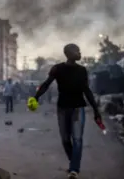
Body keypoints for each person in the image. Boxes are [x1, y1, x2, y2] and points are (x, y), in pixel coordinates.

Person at [27, 44, 101, 179]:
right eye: (77, 50)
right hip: (62, 108)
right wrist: (36, 97)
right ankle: (74, 161)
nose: (80, 52)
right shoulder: (57, 69)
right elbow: (46, 84)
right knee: (65, 139)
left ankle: (74, 169)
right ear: (69, 53)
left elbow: (87, 90)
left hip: (78, 108)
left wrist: (96, 110)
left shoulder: (82, 70)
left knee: (77, 139)